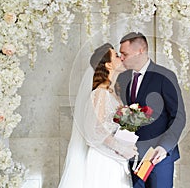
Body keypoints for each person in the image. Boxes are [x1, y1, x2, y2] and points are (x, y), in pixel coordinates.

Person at [58, 43, 137, 188]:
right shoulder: (100, 93)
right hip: (103, 159)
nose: (122, 58)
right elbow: (95, 129)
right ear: (108, 65)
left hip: (115, 158)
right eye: (117, 56)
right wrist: (121, 148)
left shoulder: (113, 92)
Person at [118, 32, 186, 188]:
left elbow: (178, 117)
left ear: (140, 50)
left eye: (124, 54)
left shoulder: (165, 76)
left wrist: (164, 147)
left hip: (158, 157)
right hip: (130, 158)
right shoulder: (122, 78)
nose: (121, 58)